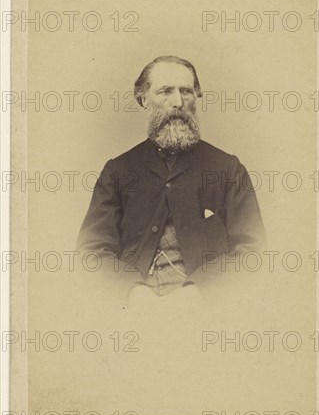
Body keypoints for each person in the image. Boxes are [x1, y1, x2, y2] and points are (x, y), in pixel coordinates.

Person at [76, 55, 266, 301]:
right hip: (132, 308)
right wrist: (131, 290)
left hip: (206, 307)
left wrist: (200, 289)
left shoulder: (228, 169)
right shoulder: (117, 171)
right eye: (165, 91)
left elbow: (253, 252)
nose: (178, 102)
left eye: (186, 91)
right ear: (144, 99)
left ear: (196, 98)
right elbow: (91, 252)